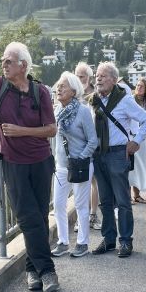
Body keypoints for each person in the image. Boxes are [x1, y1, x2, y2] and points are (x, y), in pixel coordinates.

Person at [0, 42, 59, 292]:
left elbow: (51, 129)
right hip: (13, 162)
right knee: (27, 216)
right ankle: (47, 271)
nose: (3, 64)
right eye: (3, 61)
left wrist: (21, 130)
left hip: (41, 161)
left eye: (8, 61)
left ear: (23, 65)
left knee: (38, 215)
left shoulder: (41, 92)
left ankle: (31, 269)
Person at [88, 62, 146, 258]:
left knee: (123, 201)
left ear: (114, 80)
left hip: (117, 153)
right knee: (105, 201)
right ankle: (108, 240)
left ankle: (125, 241)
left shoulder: (124, 100)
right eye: (97, 75)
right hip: (98, 154)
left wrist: (135, 142)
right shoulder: (93, 100)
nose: (98, 79)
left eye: (103, 76)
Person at [51, 72, 98, 258]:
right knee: (58, 205)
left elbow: (93, 140)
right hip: (61, 165)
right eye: (58, 86)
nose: (58, 89)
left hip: (80, 165)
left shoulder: (83, 111)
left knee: (80, 205)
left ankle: (82, 243)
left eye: (63, 86)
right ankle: (63, 242)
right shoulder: (57, 111)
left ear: (73, 90)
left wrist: (82, 158)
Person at [75, 62, 101, 231]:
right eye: (77, 76)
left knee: (94, 181)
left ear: (89, 77)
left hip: (94, 142)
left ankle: (93, 215)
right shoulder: (73, 94)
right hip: (77, 144)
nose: (79, 79)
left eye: (82, 76)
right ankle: (81, 219)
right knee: (79, 182)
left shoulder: (96, 95)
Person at [130, 79, 146, 203]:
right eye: (138, 85)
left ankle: (137, 194)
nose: (139, 88)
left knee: (140, 167)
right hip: (130, 137)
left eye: (142, 86)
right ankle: (127, 196)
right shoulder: (130, 100)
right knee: (129, 166)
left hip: (143, 139)